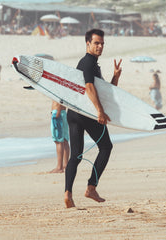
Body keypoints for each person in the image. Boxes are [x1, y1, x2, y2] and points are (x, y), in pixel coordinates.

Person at [64, 28, 122, 208]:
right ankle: (91, 187)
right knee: (106, 147)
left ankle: (68, 194)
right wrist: (99, 111)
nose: (100, 46)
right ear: (87, 43)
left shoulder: (91, 64)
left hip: (73, 112)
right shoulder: (88, 63)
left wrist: (115, 77)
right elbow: (89, 87)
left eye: (102, 43)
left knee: (76, 155)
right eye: (96, 43)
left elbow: (104, 92)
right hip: (86, 113)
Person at [50, 101, 70, 173]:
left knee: (58, 140)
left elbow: (59, 98)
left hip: (58, 113)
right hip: (63, 112)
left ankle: (59, 167)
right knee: (64, 140)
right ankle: (66, 164)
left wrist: (57, 112)